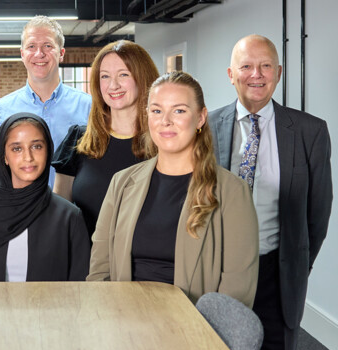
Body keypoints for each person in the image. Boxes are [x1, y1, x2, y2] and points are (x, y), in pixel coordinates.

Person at [208, 34, 333, 350]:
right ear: (231, 74)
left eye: (265, 66)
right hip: (220, 270)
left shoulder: (310, 131)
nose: (256, 75)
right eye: (246, 66)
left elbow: (317, 212)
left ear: (278, 73)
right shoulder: (206, 128)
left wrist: (298, 264)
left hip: (276, 271)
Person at [87, 72, 259, 309]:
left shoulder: (232, 192)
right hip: (122, 320)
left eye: (179, 110)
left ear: (200, 118)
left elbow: (235, 293)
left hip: (194, 331)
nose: (165, 121)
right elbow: (100, 270)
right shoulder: (122, 183)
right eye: (157, 111)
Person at [0, 113, 90, 282]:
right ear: (4, 157)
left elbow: (80, 287)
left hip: (52, 308)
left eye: (37, 146)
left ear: (48, 151)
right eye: (17, 148)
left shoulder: (68, 217)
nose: (28, 157)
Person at [52, 40, 160, 237]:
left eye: (123, 74)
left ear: (142, 77)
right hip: (88, 263)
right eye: (105, 76)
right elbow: (59, 219)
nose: (113, 85)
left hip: (149, 263)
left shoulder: (164, 142)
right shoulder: (79, 140)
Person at [0, 16, 91, 188]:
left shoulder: (89, 107)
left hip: (77, 210)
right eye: (31, 46)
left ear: (61, 53)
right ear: (22, 54)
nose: (39, 53)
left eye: (48, 46)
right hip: (18, 210)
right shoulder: (2, 109)